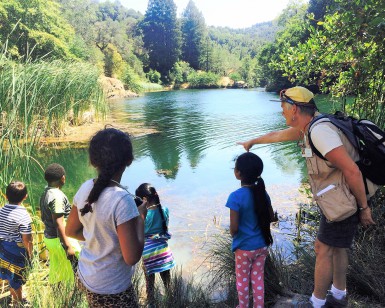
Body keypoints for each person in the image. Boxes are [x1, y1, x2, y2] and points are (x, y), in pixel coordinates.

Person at [238, 86, 376, 308]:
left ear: (295, 109)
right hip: (338, 198)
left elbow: (352, 171)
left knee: (322, 248)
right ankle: (339, 296)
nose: (281, 111)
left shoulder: (319, 133)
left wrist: (364, 208)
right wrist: (253, 141)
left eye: (283, 106)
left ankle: (317, 302)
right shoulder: (310, 126)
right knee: (338, 246)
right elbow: (277, 135)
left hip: (344, 200)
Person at [65, 128, 147, 308]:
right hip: (112, 288)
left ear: (94, 162)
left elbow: (70, 230)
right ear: (129, 160)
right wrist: (141, 218)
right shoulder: (123, 201)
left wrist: (101, 239)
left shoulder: (85, 187)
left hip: (87, 276)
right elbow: (132, 257)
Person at [226, 152, 273, 308]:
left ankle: (243, 306)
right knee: (258, 278)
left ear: (238, 174)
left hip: (244, 248)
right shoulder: (262, 193)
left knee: (242, 280)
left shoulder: (235, 197)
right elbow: (271, 216)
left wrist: (234, 235)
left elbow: (234, 228)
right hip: (262, 246)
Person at [40, 163, 80, 286]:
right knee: (79, 269)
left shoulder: (46, 192)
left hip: (50, 238)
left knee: (60, 273)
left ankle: (61, 298)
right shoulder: (56, 196)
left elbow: (43, 217)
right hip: (61, 239)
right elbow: (59, 223)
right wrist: (68, 246)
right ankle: (76, 298)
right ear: (63, 178)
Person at [135, 183, 176, 305]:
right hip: (164, 253)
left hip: (148, 254)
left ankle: (151, 303)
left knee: (150, 283)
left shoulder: (143, 215)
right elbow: (164, 227)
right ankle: (172, 301)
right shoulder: (165, 210)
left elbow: (140, 232)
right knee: (167, 282)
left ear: (144, 200)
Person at [0, 181, 33, 305]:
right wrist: (30, 254)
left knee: (10, 276)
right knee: (17, 278)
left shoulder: (1, 211)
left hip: (3, 249)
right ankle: (17, 303)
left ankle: (15, 297)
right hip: (16, 251)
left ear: (6, 196)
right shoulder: (23, 215)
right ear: (25, 196)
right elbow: (27, 239)